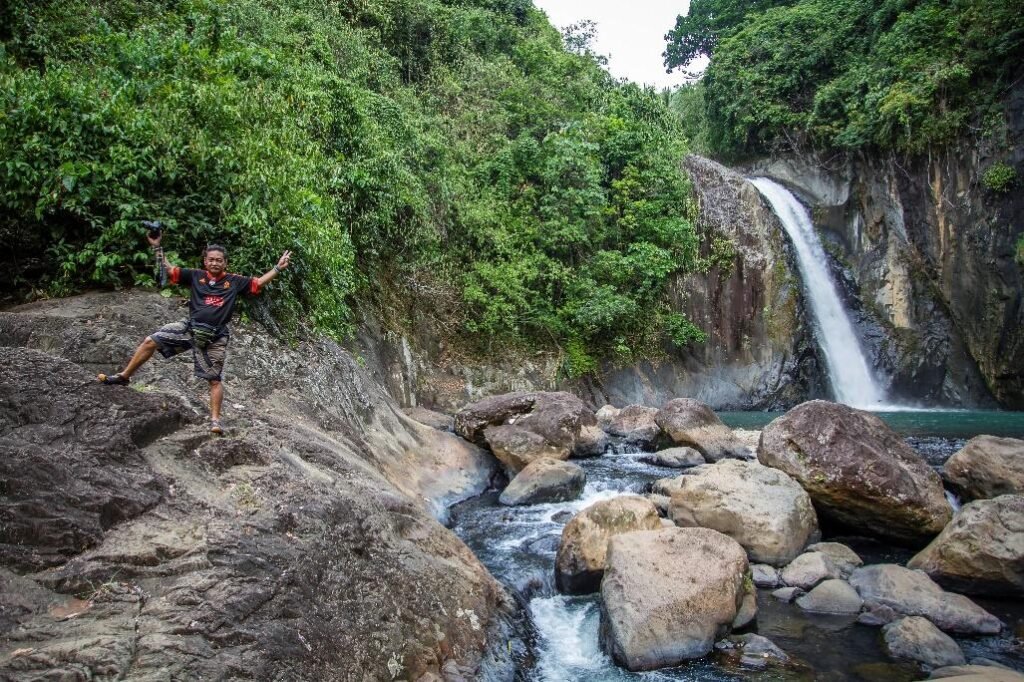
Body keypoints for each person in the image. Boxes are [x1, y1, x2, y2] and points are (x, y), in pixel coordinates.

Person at [98, 231, 292, 434]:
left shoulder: (234, 281)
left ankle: (215, 421)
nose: (215, 263)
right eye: (211, 260)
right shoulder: (195, 276)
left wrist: (278, 268)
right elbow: (170, 270)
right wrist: (157, 247)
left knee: (215, 379)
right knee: (150, 341)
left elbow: (257, 283)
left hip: (216, 335)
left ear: (225, 263)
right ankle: (125, 376)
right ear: (205, 262)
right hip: (190, 327)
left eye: (219, 260)